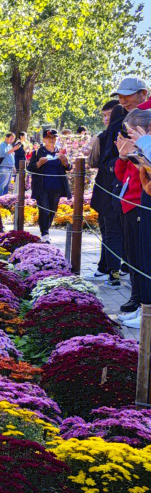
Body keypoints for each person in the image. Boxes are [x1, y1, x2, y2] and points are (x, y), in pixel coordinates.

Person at [92, 79, 149, 287]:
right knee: (131, 248)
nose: (123, 100)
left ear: (144, 93)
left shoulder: (143, 118)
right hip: (124, 191)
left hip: (141, 194)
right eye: (120, 96)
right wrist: (123, 159)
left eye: (129, 95)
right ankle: (138, 300)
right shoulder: (121, 119)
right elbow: (115, 162)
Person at [115, 108, 151, 327]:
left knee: (145, 259)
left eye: (132, 133)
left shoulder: (146, 144)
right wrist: (124, 155)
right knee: (137, 258)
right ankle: (142, 305)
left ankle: (145, 308)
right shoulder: (143, 146)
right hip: (132, 203)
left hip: (141, 204)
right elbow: (123, 175)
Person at [88, 100, 121, 280]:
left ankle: (108, 269)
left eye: (110, 114)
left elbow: (93, 161)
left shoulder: (106, 136)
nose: (107, 118)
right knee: (110, 229)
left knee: (111, 230)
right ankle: (111, 267)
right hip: (109, 188)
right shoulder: (105, 136)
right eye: (104, 115)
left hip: (111, 189)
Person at [27, 128, 71, 240]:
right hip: (42, 187)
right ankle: (45, 233)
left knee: (52, 211)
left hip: (57, 187)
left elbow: (68, 167)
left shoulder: (61, 151)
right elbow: (30, 168)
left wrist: (65, 162)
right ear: (44, 139)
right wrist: (39, 163)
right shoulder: (37, 153)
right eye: (49, 138)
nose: (51, 140)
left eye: (54, 138)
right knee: (44, 210)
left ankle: (46, 231)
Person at [0, 132, 17, 196]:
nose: (12, 140)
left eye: (13, 139)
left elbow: (12, 157)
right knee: (2, 184)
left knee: (7, 185)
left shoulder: (10, 146)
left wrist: (13, 166)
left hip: (10, 167)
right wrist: (13, 149)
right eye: (11, 139)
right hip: (4, 166)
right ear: (6, 138)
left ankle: (4, 200)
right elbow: (2, 155)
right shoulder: (2, 145)